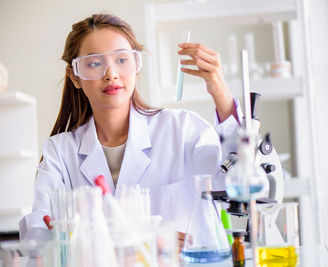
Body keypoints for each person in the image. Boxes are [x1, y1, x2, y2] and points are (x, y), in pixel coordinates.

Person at [19, 13, 242, 247]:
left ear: (136, 65)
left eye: (122, 60)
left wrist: (220, 93)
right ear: (75, 76)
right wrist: (135, 242)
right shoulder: (61, 152)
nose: (111, 74)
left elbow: (242, 185)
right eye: (94, 63)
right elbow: (39, 238)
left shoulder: (182, 129)